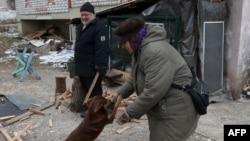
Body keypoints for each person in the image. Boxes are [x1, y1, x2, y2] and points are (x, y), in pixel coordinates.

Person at [113, 17, 200, 141]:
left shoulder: (154, 52)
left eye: (123, 42)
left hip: (176, 110)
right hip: (164, 107)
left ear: (134, 37)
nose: (120, 46)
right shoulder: (139, 50)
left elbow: (153, 92)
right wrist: (117, 96)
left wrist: (128, 113)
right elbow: (134, 79)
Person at [74, 2, 110, 118]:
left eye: (87, 14)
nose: (84, 17)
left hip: (92, 67)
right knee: (86, 89)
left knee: (95, 90)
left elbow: (102, 48)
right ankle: (91, 109)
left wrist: (101, 65)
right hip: (82, 66)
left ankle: (98, 111)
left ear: (93, 14)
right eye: (82, 14)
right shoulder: (81, 26)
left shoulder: (99, 28)